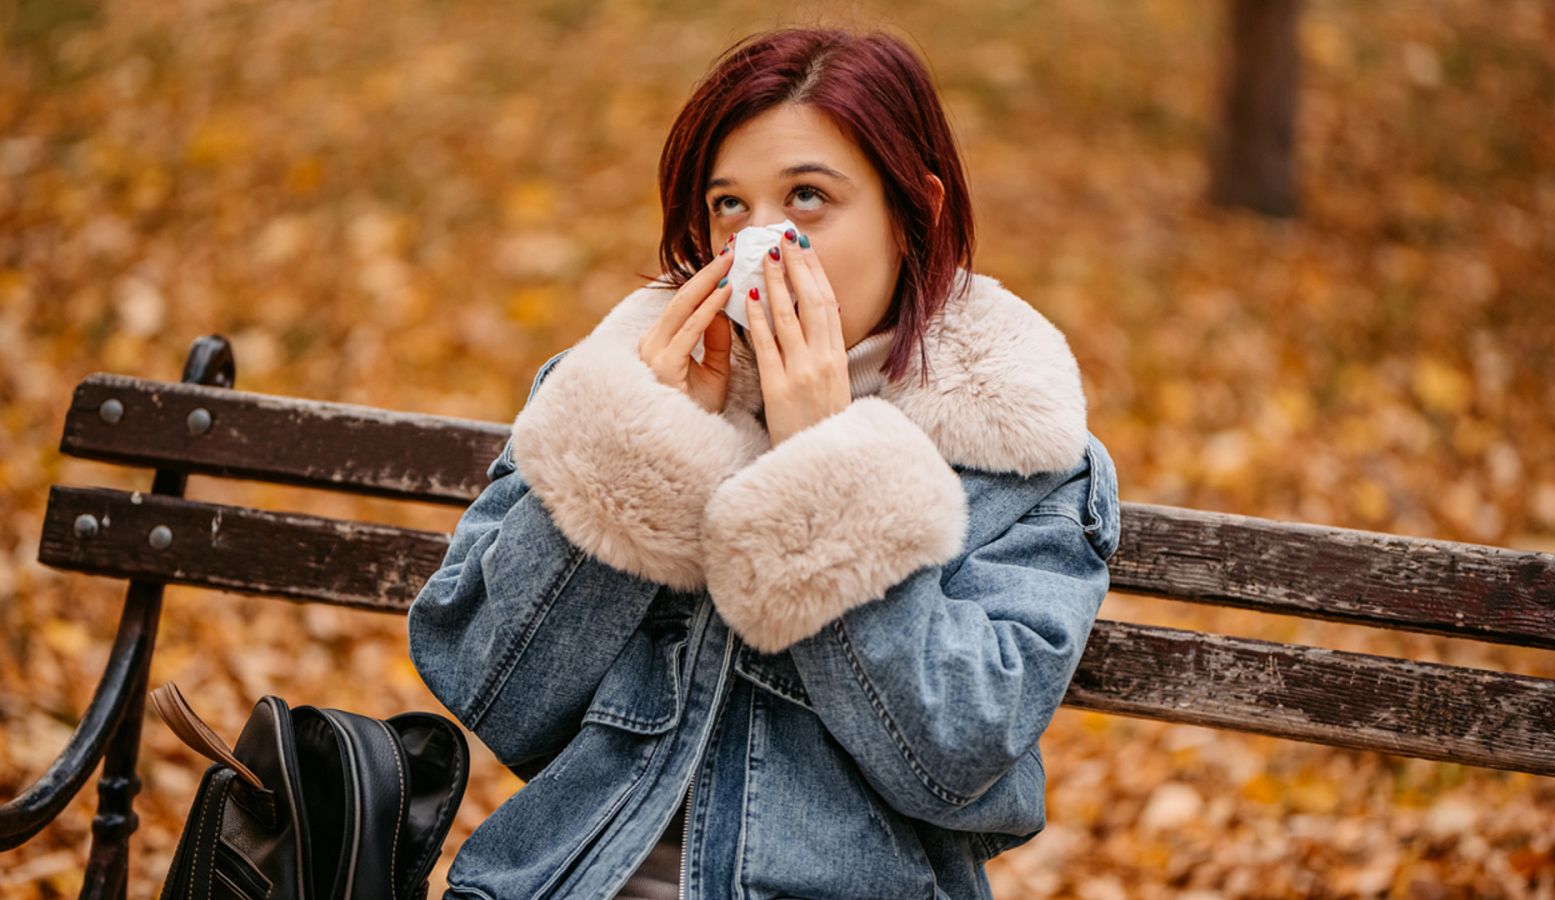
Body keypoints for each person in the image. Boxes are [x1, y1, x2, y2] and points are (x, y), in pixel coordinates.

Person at [408, 24, 1121, 900]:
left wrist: (826, 465)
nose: (761, 243)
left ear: (916, 215)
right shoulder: (620, 384)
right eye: (730, 206)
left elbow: (957, 760)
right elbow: (488, 685)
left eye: (809, 197)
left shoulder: (1019, 450)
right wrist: (643, 443)